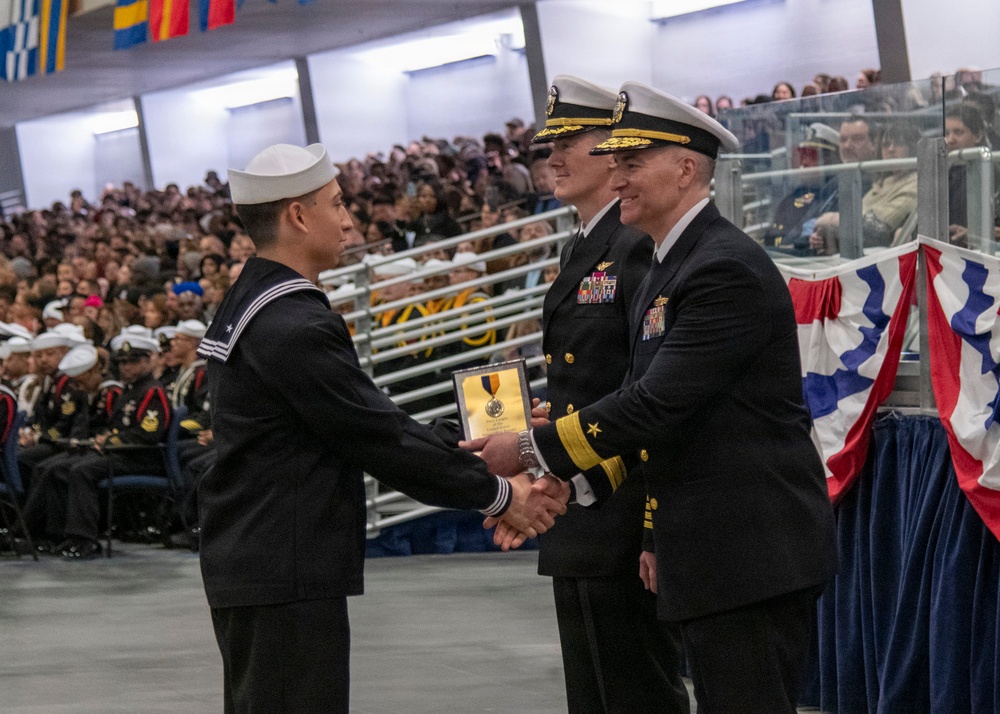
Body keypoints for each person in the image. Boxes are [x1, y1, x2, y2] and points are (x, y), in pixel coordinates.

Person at [466, 82, 837, 714]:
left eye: (633, 163)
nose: (618, 177)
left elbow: (653, 406)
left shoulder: (721, 267)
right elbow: (659, 421)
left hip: (747, 546)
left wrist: (532, 451)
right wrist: (590, 489)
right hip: (704, 543)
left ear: (686, 169)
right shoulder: (674, 263)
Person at [196, 143, 567, 713]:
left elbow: (355, 424)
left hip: (262, 556)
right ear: (298, 215)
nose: (349, 220)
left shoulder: (255, 301)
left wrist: (467, 439)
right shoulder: (292, 321)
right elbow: (376, 437)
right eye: (336, 204)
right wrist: (498, 494)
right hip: (285, 565)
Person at [527, 75, 688, 714]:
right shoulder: (587, 245)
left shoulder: (632, 247)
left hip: (616, 501)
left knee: (633, 689)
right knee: (595, 688)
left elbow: (644, 384)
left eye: (573, 141)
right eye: (549, 145)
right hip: (577, 500)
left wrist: (556, 459)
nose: (555, 158)